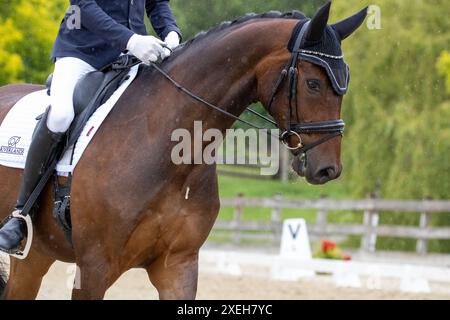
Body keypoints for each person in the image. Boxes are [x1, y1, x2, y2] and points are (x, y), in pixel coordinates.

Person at [0, 0, 182, 254]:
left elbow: (157, 4)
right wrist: (132, 40)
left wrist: (171, 32)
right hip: (81, 52)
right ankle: (20, 214)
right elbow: (84, 6)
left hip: (131, 56)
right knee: (61, 115)